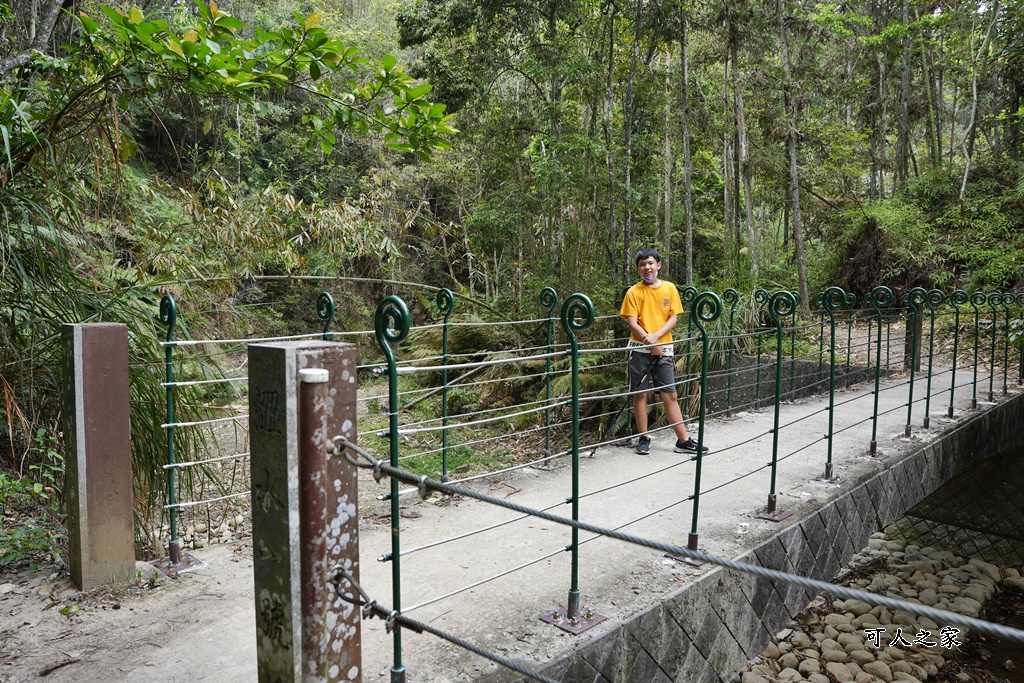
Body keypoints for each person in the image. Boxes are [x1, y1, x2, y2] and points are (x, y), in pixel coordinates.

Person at [620, 247, 709, 455]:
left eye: (650, 263)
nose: (647, 268)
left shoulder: (669, 288)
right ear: (638, 269)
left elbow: (673, 318)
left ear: (658, 265)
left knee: (670, 394)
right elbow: (632, 323)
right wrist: (649, 342)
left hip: (664, 349)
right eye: (642, 264)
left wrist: (656, 338)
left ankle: (683, 440)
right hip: (639, 349)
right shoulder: (633, 292)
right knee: (640, 395)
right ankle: (643, 437)